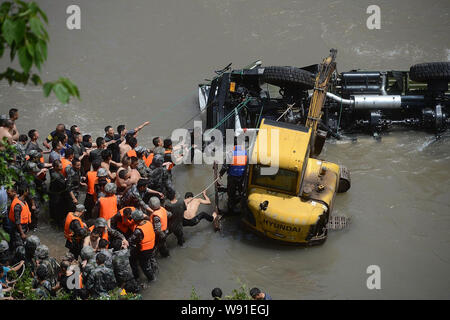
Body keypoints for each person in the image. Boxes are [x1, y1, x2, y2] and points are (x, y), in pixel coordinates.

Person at [128, 210, 157, 282]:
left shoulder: (138, 231)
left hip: (144, 251)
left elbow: (131, 241)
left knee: (144, 266)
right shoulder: (148, 222)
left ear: (136, 220)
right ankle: (155, 271)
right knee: (151, 260)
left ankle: (152, 279)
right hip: (152, 246)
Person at [219, 140, 248, 214]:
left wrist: (221, 174)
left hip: (232, 177)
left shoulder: (231, 153)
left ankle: (231, 208)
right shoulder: (246, 153)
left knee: (231, 192)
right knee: (241, 190)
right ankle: (240, 202)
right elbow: (247, 166)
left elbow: (225, 167)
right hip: (241, 177)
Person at [7, 184, 32, 251]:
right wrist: (22, 233)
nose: (29, 192)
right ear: (24, 192)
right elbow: (17, 221)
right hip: (18, 229)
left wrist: (27, 227)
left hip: (23, 227)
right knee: (19, 246)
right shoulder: (18, 205)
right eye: (27, 191)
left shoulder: (23, 202)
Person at [48, 159, 67, 227]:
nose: (62, 167)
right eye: (60, 166)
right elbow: (64, 184)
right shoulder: (56, 176)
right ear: (55, 167)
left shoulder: (53, 171)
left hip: (54, 193)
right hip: (56, 196)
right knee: (57, 210)